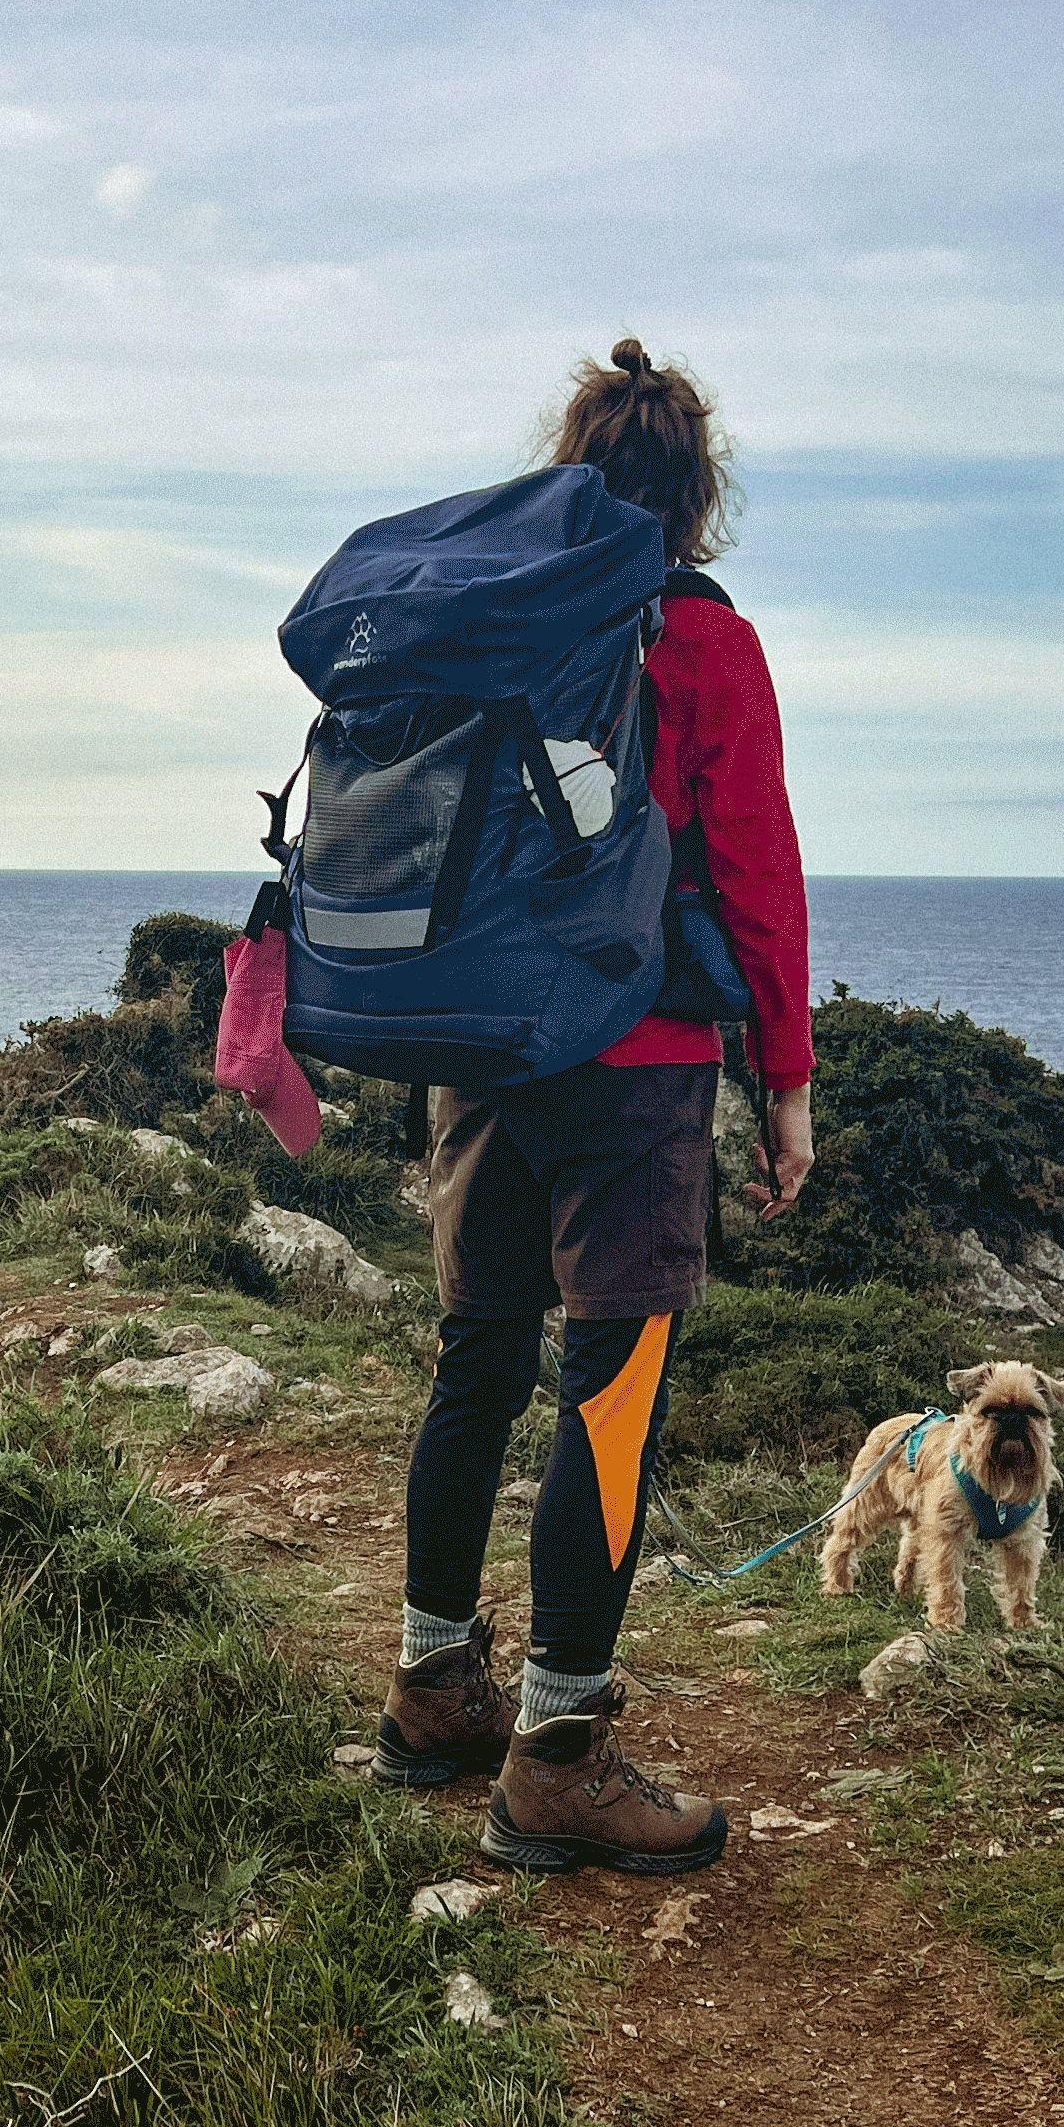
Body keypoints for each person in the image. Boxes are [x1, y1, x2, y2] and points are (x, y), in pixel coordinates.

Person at [374, 338, 816, 1875]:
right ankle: (557, 1757)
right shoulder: (705, 646)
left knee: (474, 1363)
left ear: (568, 469)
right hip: (634, 1068)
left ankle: (435, 1692)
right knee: (608, 1402)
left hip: (478, 1047)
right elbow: (753, 865)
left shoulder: (491, 629)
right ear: (696, 500)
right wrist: (788, 1082)